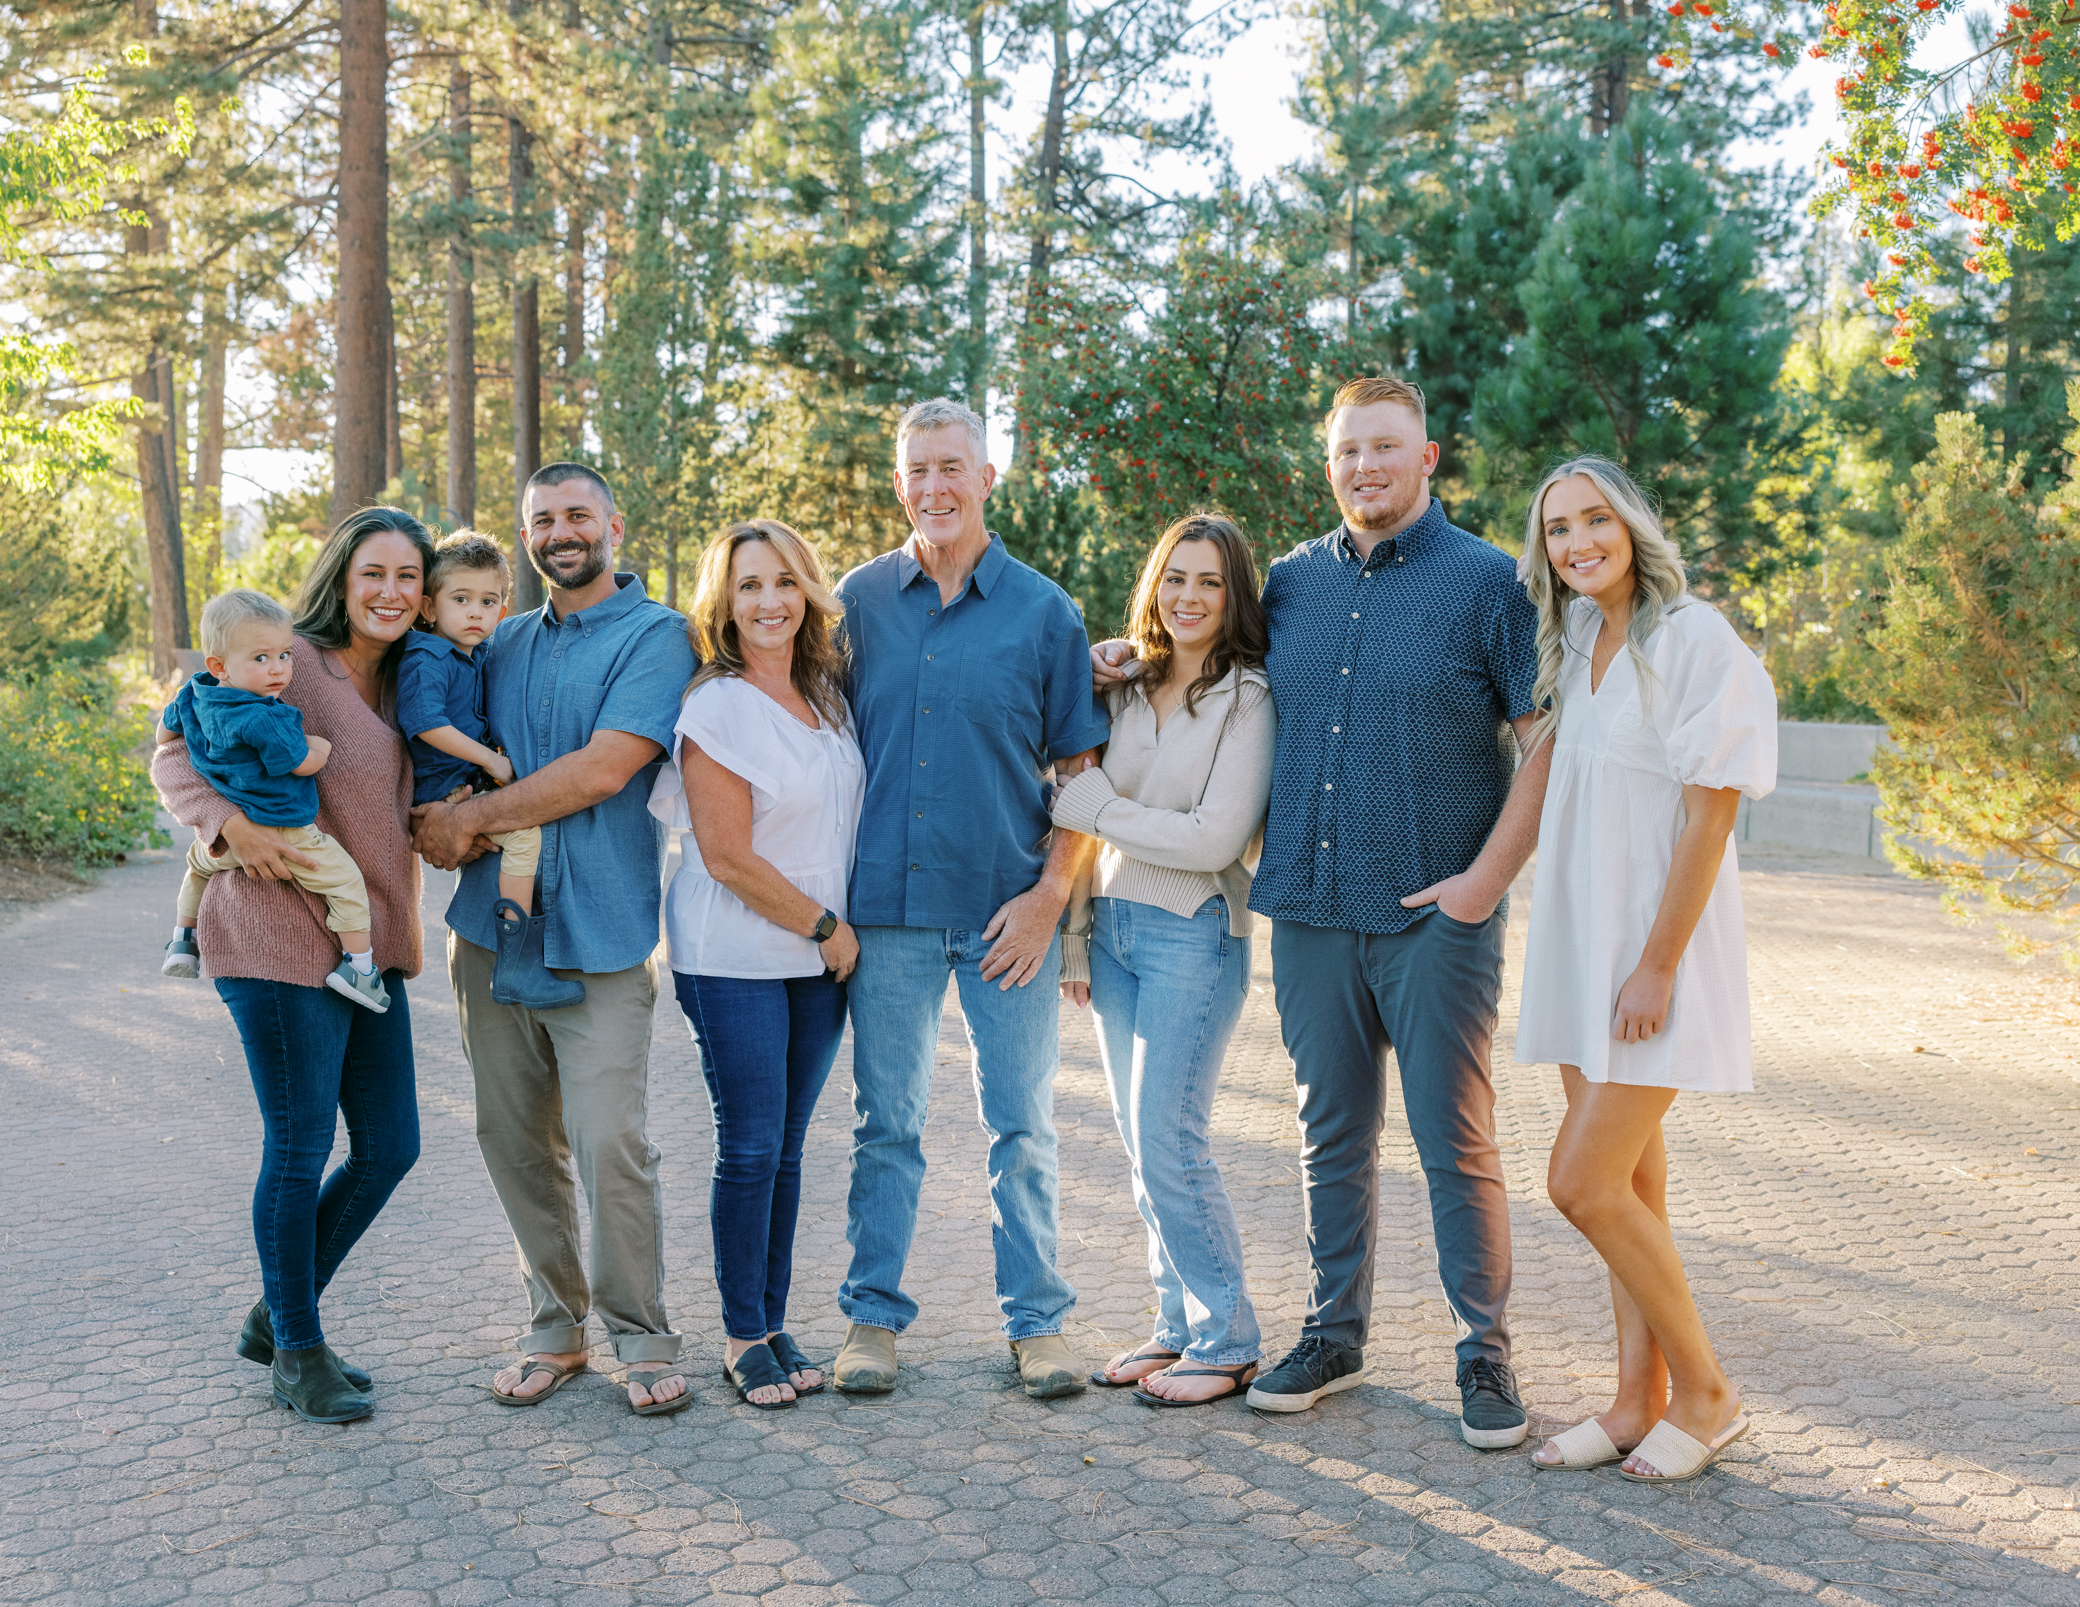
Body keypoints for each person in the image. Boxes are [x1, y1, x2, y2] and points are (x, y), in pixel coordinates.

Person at [1093, 375, 1550, 1447]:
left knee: (1455, 1139)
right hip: (1304, 905)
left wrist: (1484, 882)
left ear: (1427, 456)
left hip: (1435, 913)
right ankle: (1333, 1331)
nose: (1366, 468)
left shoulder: (1489, 583)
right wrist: (1119, 656)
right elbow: (1193, 647)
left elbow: (1541, 741)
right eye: (1348, 451)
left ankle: (1484, 1353)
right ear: (1329, 461)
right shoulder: (1288, 583)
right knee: (1329, 1137)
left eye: (1386, 448)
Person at [831, 397, 1112, 1400]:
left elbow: (1081, 766)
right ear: (899, 482)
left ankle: (1038, 1326)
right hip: (887, 917)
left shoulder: (1045, 611)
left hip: (1008, 917)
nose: (936, 486)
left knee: (1023, 1129)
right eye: (919, 469)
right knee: (887, 1125)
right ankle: (870, 1320)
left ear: (987, 479)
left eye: (954, 466)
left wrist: (1050, 894)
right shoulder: (855, 603)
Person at [410, 462, 697, 1417]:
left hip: (602, 934)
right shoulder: (500, 640)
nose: (561, 531)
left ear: (614, 523)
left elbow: (603, 768)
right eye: (543, 520)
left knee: (610, 1137)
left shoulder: (659, 636)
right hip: (488, 932)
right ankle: (555, 1324)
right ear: (525, 535)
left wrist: (473, 814)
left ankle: (643, 1332)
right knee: (511, 1137)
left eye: (578, 514)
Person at [1513, 457, 1776, 1482]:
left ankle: (1709, 1392)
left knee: (1579, 1182)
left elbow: (1711, 816)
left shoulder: (1693, 639)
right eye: (1558, 529)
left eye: (1594, 520)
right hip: (1581, 946)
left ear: (1630, 522)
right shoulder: (1574, 634)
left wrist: (1656, 966)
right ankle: (1636, 1399)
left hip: (1651, 958)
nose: (1578, 541)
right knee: (1627, 1184)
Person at [150, 507, 433, 1424]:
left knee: (391, 1145)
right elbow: (171, 744)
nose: (391, 591)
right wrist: (224, 824)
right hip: (274, 934)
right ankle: (297, 1351)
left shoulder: (414, 681)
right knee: (302, 1142)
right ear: (341, 579)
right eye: (373, 573)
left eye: (408, 576)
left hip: (367, 946)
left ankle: (278, 1313)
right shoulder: (285, 656)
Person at [1054, 514, 1277, 1408]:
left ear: (1234, 599)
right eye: (1176, 577)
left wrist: (1096, 806)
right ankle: (1177, 1325)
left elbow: (1216, 836)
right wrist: (1074, 935)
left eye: (1211, 583)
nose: (1189, 596)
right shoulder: (1124, 682)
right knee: (1139, 1143)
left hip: (1196, 931)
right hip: (1111, 931)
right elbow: (1078, 817)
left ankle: (1228, 1338)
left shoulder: (1248, 698)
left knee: (1170, 1140)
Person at [649, 521, 865, 1410]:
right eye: (748, 586)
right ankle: (743, 1337)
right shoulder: (718, 705)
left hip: (818, 956)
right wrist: (827, 927)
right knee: (748, 1144)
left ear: (809, 592)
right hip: (736, 951)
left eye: (784, 582)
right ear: (724, 602)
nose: (769, 601)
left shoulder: (827, 695)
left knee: (784, 1147)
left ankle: (774, 1322)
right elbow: (727, 855)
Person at [159, 589, 389, 1012]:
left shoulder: (194, 693)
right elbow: (300, 763)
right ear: (219, 665)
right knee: (346, 884)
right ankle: (360, 967)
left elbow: (164, 736)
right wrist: (320, 746)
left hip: (227, 842)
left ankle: (181, 940)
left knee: (195, 869)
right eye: (261, 659)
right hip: (287, 831)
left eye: (285, 655)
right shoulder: (267, 715)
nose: (278, 669)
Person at [395, 530, 578, 1011]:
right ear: (430, 609)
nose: (475, 612)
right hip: (444, 784)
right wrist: (490, 760)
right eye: (461, 599)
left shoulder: (471, 654)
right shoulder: (427, 656)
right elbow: (426, 723)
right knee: (525, 837)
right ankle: (516, 962)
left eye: (488, 601)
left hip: (466, 779)